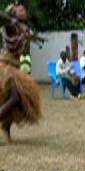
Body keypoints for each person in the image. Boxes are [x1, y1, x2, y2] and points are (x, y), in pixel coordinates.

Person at [0, 4, 42, 144]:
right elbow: (4, 17)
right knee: (15, 97)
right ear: (13, 13)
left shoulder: (22, 28)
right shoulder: (9, 25)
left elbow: (26, 34)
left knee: (18, 102)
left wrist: (26, 32)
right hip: (5, 67)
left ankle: (6, 128)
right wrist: (14, 22)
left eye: (24, 9)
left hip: (16, 68)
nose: (24, 11)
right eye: (20, 9)